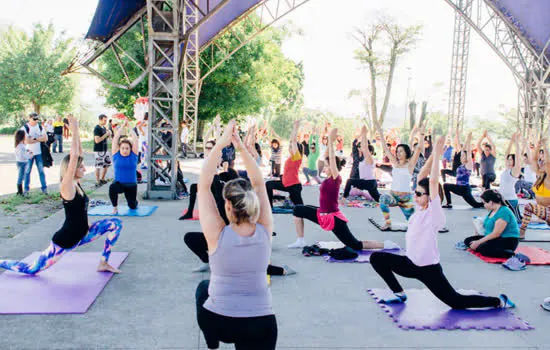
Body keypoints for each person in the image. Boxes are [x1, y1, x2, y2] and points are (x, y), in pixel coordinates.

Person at [370, 136, 516, 310]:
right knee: (377, 258)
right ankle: (399, 293)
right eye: (415, 193)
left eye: (419, 194)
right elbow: (422, 175)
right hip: (410, 263)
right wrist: (431, 155)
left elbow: (432, 181)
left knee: (456, 302)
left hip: (428, 269)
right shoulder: (419, 210)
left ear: (430, 197)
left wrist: (438, 154)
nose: (415, 196)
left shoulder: (434, 213)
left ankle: (499, 301)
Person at [0, 116, 122, 275]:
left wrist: (76, 130)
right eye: (81, 168)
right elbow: (73, 157)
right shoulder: (67, 185)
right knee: (31, 269)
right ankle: (2, 261)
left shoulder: (77, 184)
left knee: (115, 224)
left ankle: (103, 262)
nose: (84, 170)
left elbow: (77, 154)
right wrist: (75, 130)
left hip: (83, 234)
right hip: (65, 241)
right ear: (72, 169)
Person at [195, 120, 277, 350]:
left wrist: (221, 142)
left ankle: (211, 341)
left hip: (220, 323)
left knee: (203, 288)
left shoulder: (217, 235)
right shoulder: (264, 229)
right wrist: (240, 147)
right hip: (262, 324)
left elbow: (203, 184)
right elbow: (260, 184)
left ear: (228, 206)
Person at [289, 126, 397, 251]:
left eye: (327, 166)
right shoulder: (328, 178)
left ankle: (386, 245)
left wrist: (330, 141)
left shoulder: (336, 178)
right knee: (298, 210)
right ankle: (300, 240)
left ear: (333, 168)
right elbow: (327, 157)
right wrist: (329, 141)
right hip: (322, 214)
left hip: (333, 219)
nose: (325, 168)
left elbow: (332, 161)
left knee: (355, 245)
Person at [458, 190, 527, 267]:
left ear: (490, 202)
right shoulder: (493, 211)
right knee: (468, 240)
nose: (484, 205)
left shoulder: (504, 212)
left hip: (507, 240)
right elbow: (487, 227)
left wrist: (478, 242)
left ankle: (511, 254)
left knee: (483, 248)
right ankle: (485, 246)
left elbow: (496, 233)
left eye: (484, 203)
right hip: (495, 239)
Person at [374, 120, 421, 230]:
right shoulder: (395, 163)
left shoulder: (410, 165)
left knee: (414, 224)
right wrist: (380, 132)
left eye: (400, 151)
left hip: (405, 198)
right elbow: (385, 148)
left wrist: (419, 134)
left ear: (406, 153)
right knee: (383, 199)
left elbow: (418, 149)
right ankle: (388, 223)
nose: (397, 153)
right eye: (397, 151)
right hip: (393, 196)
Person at [265, 120, 304, 208]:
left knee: (300, 208)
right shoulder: (291, 157)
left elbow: (293, 141)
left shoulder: (297, 157)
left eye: (291, 147)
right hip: (285, 184)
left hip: (293, 186)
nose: (290, 147)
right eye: (289, 146)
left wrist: (295, 128)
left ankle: (288, 200)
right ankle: (269, 206)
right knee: (268, 184)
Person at [519, 138, 550, 239]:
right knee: (529, 206)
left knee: (529, 206)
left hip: (548, 211)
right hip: (544, 211)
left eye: (543, 163)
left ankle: (522, 232)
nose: (541, 164)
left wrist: (545, 146)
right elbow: (534, 160)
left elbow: (548, 162)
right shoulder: (540, 175)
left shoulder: (549, 176)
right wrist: (538, 146)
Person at [442, 132, 483, 209]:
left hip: (464, 189)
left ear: (467, 157)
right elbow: (463, 150)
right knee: (446, 186)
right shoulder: (462, 165)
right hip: (460, 188)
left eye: (463, 156)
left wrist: (469, 140)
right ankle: (449, 203)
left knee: (476, 205)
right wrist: (467, 140)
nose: (461, 157)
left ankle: (489, 203)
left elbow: (467, 151)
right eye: (461, 156)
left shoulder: (469, 165)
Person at [342, 126, 380, 202]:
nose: (362, 148)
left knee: (349, 181)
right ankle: (391, 201)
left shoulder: (369, 158)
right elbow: (358, 146)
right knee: (378, 198)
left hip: (368, 182)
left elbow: (365, 146)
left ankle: (343, 198)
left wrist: (364, 134)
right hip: (370, 182)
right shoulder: (364, 159)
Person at [109, 121, 139, 215]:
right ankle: (115, 207)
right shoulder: (116, 154)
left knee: (132, 206)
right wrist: (122, 126)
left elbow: (135, 139)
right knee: (112, 187)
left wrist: (130, 127)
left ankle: (134, 202)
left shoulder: (134, 155)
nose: (125, 150)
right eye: (123, 148)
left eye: (127, 148)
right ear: (119, 148)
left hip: (131, 185)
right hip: (119, 184)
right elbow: (115, 139)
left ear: (131, 149)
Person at [22, 113, 48, 195]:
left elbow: (45, 138)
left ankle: (44, 189)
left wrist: (34, 138)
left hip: (38, 153)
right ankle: (26, 189)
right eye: (34, 119)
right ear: (29, 118)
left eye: (37, 119)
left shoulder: (40, 127)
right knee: (27, 171)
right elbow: (26, 141)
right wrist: (39, 139)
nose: (36, 121)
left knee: (41, 171)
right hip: (28, 153)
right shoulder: (25, 128)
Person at [499, 133, 522, 221]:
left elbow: (518, 156)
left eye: (511, 159)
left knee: (517, 220)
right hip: (503, 200)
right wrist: (511, 141)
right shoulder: (506, 170)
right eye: (508, 159)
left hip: (511, 200)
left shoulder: (515, 170)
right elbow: (506, 154)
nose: (508, 161)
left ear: (515, 161)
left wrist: (516, 142)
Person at [94, 114, 113, 186]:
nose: (105, 122)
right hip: (98, 150)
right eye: (104, 120)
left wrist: (109, 135)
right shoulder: (97, 128)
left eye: (106, 120)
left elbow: (104, 138)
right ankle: (98, 180)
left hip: (105, 149)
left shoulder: (104, 128)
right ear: (100, 119)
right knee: (98, 165)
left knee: (106, 164)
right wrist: (106, 134)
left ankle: (102, 178)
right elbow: (97, 140)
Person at [14, 130, 30, 196]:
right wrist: (29, 156)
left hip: (20, 162)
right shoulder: (21, 146)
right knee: (21, 177)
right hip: (22, 162)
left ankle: (20, 191)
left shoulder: (20, 145)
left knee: (22, 176)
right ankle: (20, 192)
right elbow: (22, 156)